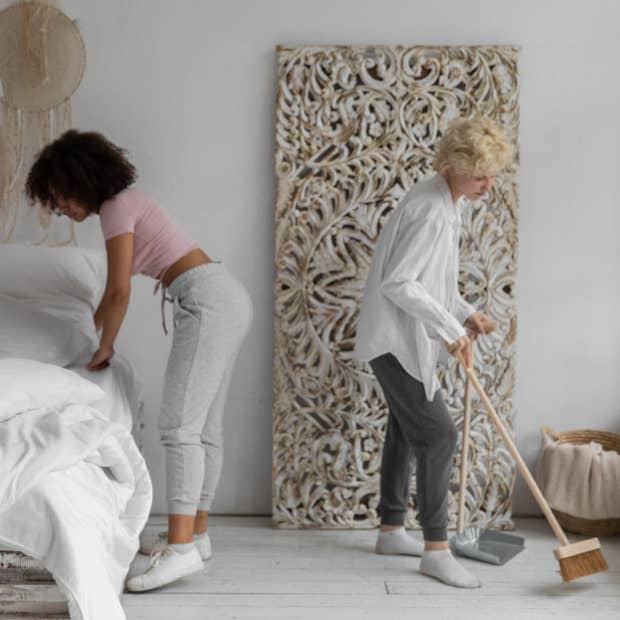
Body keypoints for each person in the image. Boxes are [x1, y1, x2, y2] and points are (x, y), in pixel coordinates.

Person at [26, 130, 253, 591]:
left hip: (206, 300)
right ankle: (197, 536)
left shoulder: (115, 210)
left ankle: (182, 549)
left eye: (60, 197)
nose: (62, 210)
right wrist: (96, 333)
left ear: (80, 179)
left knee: (180, 427)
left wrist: (104, 346)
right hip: (221, 294)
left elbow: (117, 290)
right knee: (204, 429)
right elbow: (113, 295)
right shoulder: (127, 204)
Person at [353, 117, 512, 588]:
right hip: (394, 341)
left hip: (400, 337)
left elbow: (431, 282)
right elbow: (398, 282)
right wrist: (447, 328)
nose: (489, 185)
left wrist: (465, 313)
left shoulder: (446, 201)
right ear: (453, 167)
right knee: (439, 435)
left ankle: (391, 527)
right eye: (481, 175)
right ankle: (437, 549)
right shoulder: (431, 209)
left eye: (492, 174)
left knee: (405, 430)